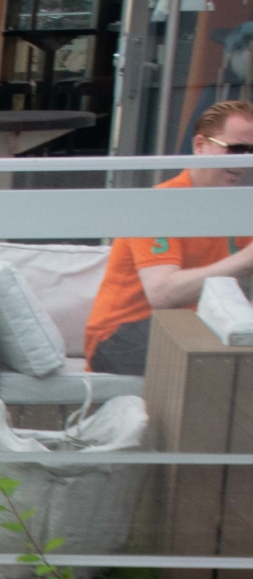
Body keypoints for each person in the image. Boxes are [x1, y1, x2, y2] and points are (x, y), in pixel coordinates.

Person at [83, 99, 253, 376]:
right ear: (200, 145)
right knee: (218, 359)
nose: (244, 161)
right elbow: (162, 293)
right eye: (236, 149)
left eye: (252, 152)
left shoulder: (237, 208)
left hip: (195, 327)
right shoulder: (158, 203)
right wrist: (245, 261)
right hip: (120, 337)